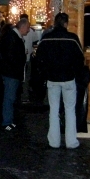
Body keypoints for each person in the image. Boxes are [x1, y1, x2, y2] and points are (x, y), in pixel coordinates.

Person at [35, 12, 83, 149]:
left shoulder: (46, 39)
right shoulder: (72, 39)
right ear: (66, 23)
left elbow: (39, 59)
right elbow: (80, 59)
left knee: (54, 110)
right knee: (70, 110)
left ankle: (54, 142)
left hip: (52, 79)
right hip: (68, 78)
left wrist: (46, 72)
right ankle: (71, 141)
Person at [0, 18, 30, 132]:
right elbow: (11, 56)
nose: (28, 30)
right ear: (22, 27)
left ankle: (8, 121)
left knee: (9, 97)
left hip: (11, 72)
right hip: (11, 73)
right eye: (27, 28)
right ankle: (7, 122)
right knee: (9, 98)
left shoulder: (12, 36)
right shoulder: (13, 38)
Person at [20, 13, 37, 102]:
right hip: (27, 58)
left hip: (19, 59)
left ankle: (20, 95)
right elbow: (35, 42)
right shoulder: (31, 31)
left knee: (21, 78)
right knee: (26, 78)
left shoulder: (17, 30)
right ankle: (25, 96)